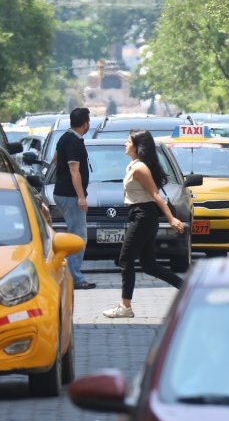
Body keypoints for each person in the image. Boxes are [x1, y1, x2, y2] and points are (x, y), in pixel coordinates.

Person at [102, 130, 186, 319]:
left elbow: (155, 194)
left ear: (137, 146)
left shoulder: (140, 168)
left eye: (128, 141)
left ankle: (125, 306)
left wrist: (171, 218)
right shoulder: (133, 165)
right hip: (138, 214)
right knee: (149, 265)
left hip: (144, 216)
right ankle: (186, 289)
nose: (125, 144)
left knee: (125, 259)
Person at [54, 108, 95, 290]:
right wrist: (81, 197)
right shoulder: (73, 142)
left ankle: (71, 275)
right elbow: (74, 170)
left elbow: (56, 160)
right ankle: (75, 278)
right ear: (85, 123)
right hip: (70, 195)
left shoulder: (65, 138)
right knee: (79, 237)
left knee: (74, 234)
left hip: (63, 192)